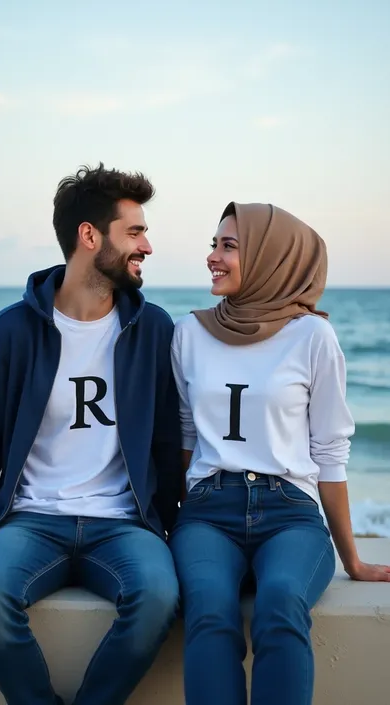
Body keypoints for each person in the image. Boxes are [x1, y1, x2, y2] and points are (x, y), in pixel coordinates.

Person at [0, 164, 182, 705]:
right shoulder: (11, 330)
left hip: (123, 524)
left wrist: (171, 530)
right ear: (90, 236)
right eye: (134, 232)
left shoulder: (153, 328)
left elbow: (166, 442)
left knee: (158, 596)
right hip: (30, 520)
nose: (147, 246)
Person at [169, 201, 390, 705]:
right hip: (208, 513)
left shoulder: (313, 336)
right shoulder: (189, 332)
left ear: (273, 257)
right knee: (207, 609)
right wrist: (166, 523)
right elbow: (184, 440)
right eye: (214, 244)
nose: (213, 257)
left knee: (281, 602)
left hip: (289, 514)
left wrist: (352, 559)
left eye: (229, 246)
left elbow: (330, 452)